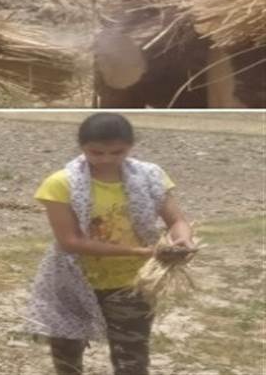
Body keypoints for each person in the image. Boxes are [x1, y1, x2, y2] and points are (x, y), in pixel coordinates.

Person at [27, 113, 195, 375]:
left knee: (132, 357)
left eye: (117, 152)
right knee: (67, 354)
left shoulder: (151, 176)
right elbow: (70, 242)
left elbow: (177, 220)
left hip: (133, 282)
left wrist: (183, 238)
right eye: (97, 152)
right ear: (82, 147)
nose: (106, 159)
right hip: (73, 279)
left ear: (131, 146)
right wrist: (138, 251)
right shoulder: (60, 184)